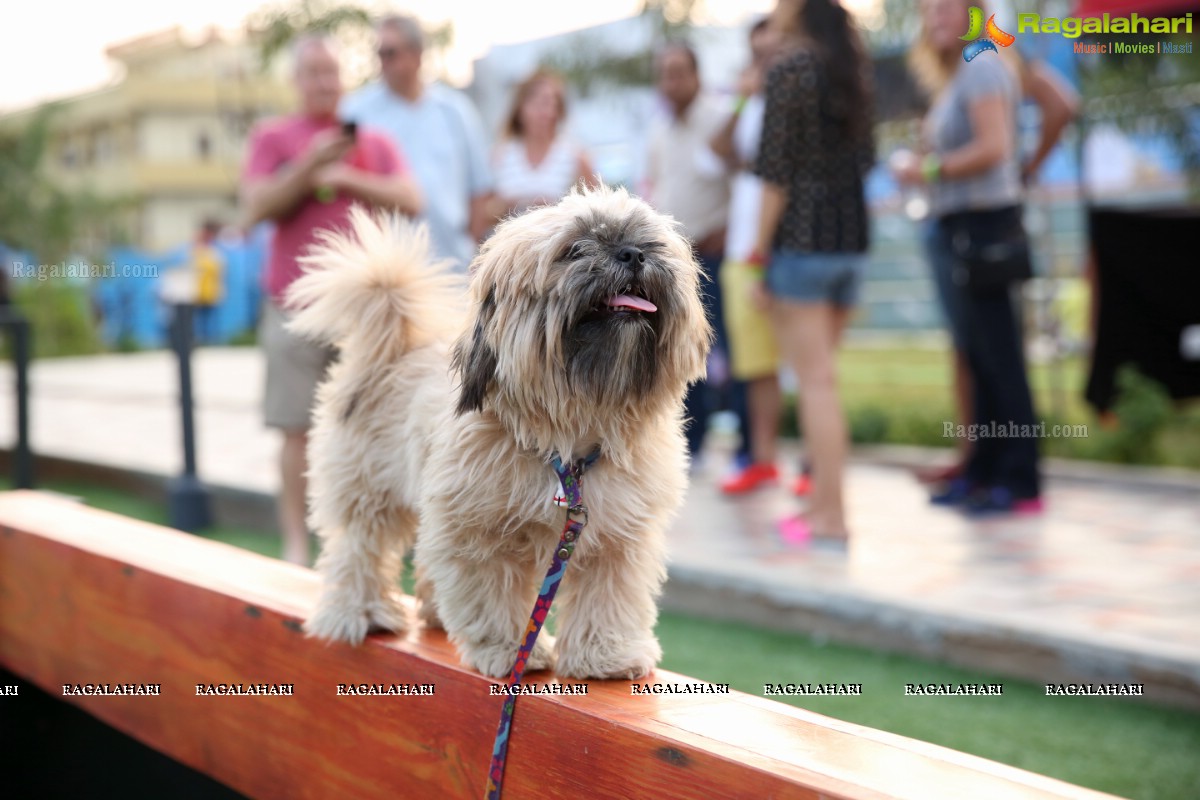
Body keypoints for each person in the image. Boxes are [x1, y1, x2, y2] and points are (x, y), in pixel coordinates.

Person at [240, 35, 422, 564]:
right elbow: (253, 210)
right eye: (312, 72)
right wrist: (307, 167)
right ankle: (297, 543)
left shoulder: (374, 141)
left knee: (374, 428)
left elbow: (413, 199)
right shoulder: (273, 138)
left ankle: (369, 547)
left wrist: (344, 175)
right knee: (296, 429)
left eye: (331, 72)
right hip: (293, 308)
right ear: (296, 80)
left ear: (343, 79)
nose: (323, 81)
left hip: (367, 316)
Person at [904, 0, 1079, 486]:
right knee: (981, 357)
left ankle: (1020, 479)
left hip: (983, 228)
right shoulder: (966, 67)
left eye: (946, 7)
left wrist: (928, 169)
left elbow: (994, 147)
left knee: (999, 358)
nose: (935, 16)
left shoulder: (982, 63)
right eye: (929, 9)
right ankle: (987, 471)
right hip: (966, 226)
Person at [750, 0, 875, 544]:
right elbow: (866, 160)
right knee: (825, 382)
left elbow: (774, 173)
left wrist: (756, 250)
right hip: (851, 245)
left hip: (802, 247)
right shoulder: (849, 67)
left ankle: (832, 517)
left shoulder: (789, 68)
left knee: (816, 384)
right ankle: (823, 506)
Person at [645, 42, 749, 471]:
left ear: (696, 75)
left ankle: (746, 443)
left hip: (716, 253)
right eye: (665, 73)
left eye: (679, 72)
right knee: (683, 349)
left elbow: (742, 180)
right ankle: (694, 441)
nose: (672, 82)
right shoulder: (659, 131)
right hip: (677, 262)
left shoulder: (720, 121)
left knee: (732, 347)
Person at [709, 18, 791, 496]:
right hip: (745, 247)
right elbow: (719, 147)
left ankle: (812, 467)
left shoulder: (793, 104)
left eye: (772, 53)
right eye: (756, 54)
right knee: (753, 362)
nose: (763, 63)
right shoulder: (753, 104)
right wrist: (743, 96)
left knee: (798, 363)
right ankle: (763, 459)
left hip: (777, 247)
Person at [342, 14, 493, 271]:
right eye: (379, 53)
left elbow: (479, 189)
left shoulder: (455, 110)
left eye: (390, 53)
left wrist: (472, 245)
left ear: (417, 54)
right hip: (382, 268)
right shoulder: (356, 111)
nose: (382, 62)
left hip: (451, 262)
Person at [489, 69, 598, 216]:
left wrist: (559, 208)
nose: (545, 112)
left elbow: (596, 209)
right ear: (520, 109)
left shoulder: (575, 156)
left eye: (550, 104)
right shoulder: (500, 155)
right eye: (537, 104)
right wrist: (506, 205)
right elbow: (484, 211)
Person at [192, 219, 225, 344]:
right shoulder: (196, 250)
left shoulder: (215, 251)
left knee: (210, 319)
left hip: (211, 290)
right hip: (198, 291)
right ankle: (200, 339)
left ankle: (211, 340)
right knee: (199, 319)